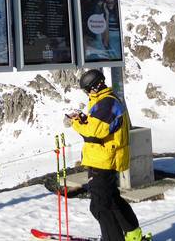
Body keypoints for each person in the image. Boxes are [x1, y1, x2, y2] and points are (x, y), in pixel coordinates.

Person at [64, 69, 148, 241]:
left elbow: (94, 131)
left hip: (103, 161)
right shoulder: (104, 101)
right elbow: (98, 124)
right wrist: (82, 118)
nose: (87, 93)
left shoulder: (107, 103)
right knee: (112, 200)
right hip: (103, 158)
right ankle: (134, 235)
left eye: (87, 90)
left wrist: (74, 122)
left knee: (100, 206)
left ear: (94, 87)